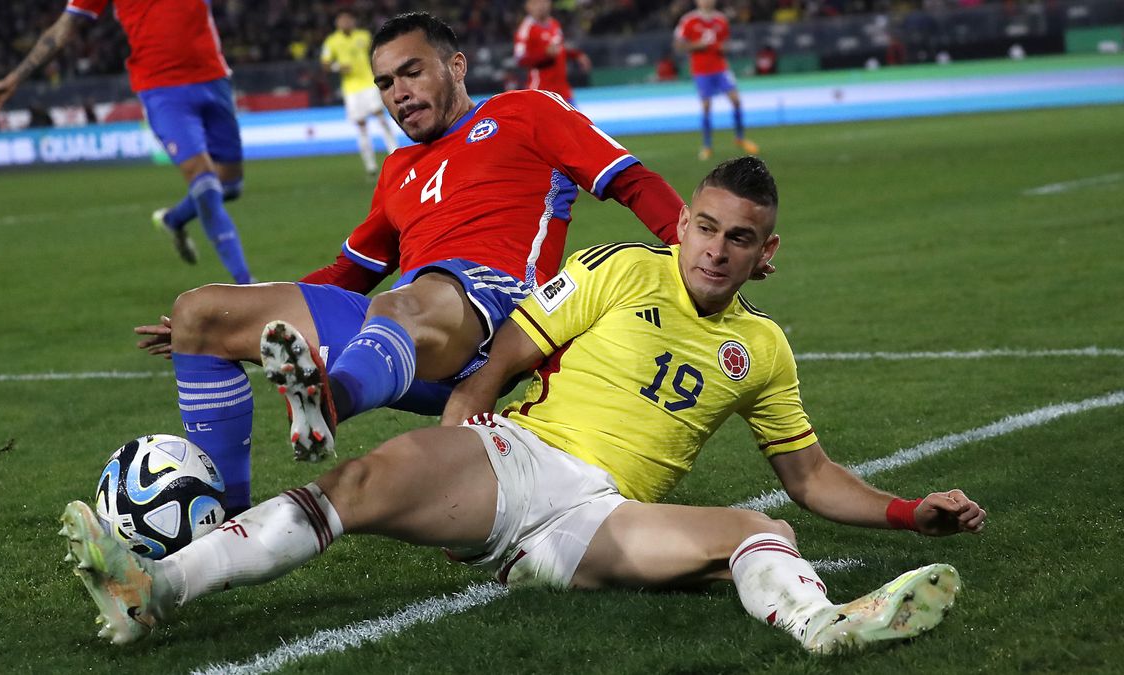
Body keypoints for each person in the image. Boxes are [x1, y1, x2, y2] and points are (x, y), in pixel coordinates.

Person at [61, 157, 986, 652]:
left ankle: (828, 625)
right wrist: (466, 400)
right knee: (363, 481)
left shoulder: (765, 350)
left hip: (601, 515)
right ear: (684, 225)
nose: (713, 249)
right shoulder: (624, 269)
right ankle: (156, 586)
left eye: (736, 239)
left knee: (753, 526)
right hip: (520, 458)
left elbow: (812, 476)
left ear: (764, 253)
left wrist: (913, 513)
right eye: (703, 227)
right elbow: (514, 343)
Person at [132, 12, 715, 516]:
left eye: (412, 72)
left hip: (504, 316)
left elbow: (630, 181)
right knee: (201, 313)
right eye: (386, 82)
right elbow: (347, 276)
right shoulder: (398, 170)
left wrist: (695, 257)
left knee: (407, 297)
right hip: (405, 325)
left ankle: (329, 401)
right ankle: (227, 515)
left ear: (455, 67)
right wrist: (248, 318)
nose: (398, 93)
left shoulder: (526, 112)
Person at [0, 0, 254, 284]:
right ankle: (248, 286)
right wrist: (15, 78)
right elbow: (63, 27)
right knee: (204, 182)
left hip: (214, 78)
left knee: (230, 185)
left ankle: (174, 220)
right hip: (162, 89)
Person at [674, 0, 760, 160]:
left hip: (720, 68)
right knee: (706, 106)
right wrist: (697, 45)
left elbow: (726, 43)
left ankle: (740, 138)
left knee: (736, 100)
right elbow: (679, 45)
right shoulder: (688, 20)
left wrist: (724, 48)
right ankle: (707, 146)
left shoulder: (721, 20)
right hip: (701, 70)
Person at [321, 9, 400, 178]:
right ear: (337, 24)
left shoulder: (363, 36)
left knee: (381, 118)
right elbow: (325, 64)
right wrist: (337, 67)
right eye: (342, 20)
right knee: (362, 126)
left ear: (353, 21)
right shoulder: (332, 41)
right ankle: (370, 166)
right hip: (351, 89)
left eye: (348, 19)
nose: (345, 23)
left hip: (369, 83)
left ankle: (395, 154)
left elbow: (378, 54)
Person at [513, 0, 590, 105]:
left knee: (577, 120)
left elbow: (560, 47)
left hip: (563, 90)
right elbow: (520, 58)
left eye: (544, 2)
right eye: (536, 3)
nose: (541, 6)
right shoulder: (525, 30)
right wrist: (545, 54)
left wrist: (577, 55)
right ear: (528, 6)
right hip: (542, 90)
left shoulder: (554, 24)